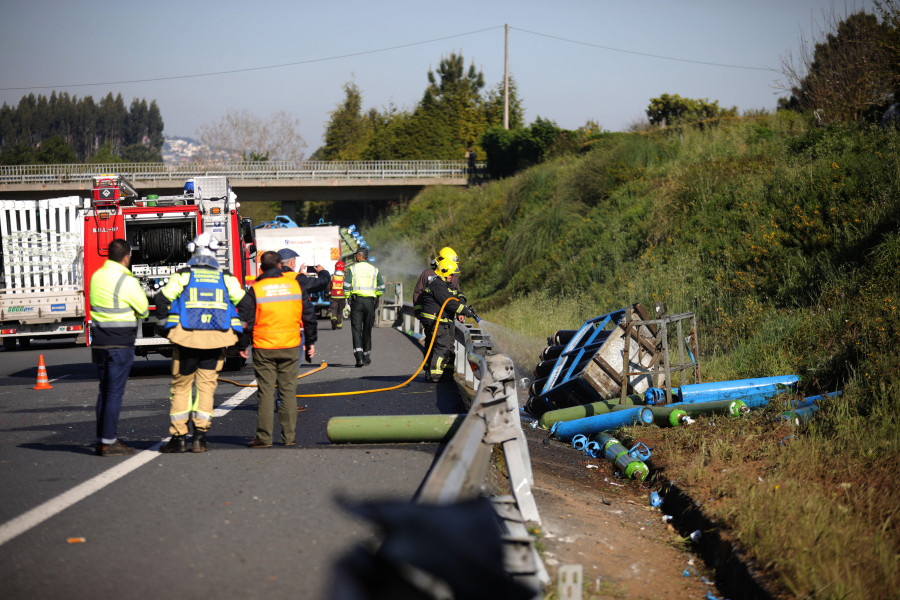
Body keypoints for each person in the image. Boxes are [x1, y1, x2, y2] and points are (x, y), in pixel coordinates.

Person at [154, 233, 253, 453]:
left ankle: (179, 438)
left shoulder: (183, 276)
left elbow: (161, 298)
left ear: (192, 251)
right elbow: (246, 302)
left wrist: (164, 327)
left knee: (181, 389)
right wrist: (242, 336)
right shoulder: (226, 278)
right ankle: (200, 438)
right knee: (206, 388)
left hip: (186, 340)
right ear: (215, 253)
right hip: (216, 340)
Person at [243, 251, 317, 448]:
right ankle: (289, 437)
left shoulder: (256, 289)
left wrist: (242, 344)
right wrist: (310, 341)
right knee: (288, 391)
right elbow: (308, 314)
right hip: (291, 346)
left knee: (266, 392)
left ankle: (264, 438)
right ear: (279, 265)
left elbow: (245, 318)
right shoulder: (294, 285)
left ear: (261, 267)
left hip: (264, 347)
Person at [89, 238, 149, 456]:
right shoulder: (126, 280)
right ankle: (108, 442)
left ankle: (102, 439)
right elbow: (143, 310)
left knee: (104, 392)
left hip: (100, 343)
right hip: (120, 343)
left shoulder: (96, 276)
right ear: (126, 257)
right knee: (114, 393)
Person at [418, 257, 477, 382]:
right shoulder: (438, 285)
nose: (452, 276)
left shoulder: (445, 285)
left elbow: (456, 294)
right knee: (442, 347)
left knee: (448, 348)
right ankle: (435, 375)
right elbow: (448, 302)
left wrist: (462, 302)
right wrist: (465, 310)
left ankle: (446, 374)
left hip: (442, 321)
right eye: (450, 274)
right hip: (437, 321)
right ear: (444, 272)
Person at [343, 246, 385, 367]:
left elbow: (346, 286)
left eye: (356, 255)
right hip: (370, 303)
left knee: (356, 330)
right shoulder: (375, 270)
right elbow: (382, 288)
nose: (355, 256)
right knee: (367, 329)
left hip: (357, 302)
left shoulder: (352, 269)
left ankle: (359, 358)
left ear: (360, 256)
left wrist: (348, 297)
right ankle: (366, 357)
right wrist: (374, 295)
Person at [329, 260, 347, 330]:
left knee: (333, 309)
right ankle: (339, 324)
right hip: (342, 297)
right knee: (340, 311)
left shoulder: (332, 277)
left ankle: (333, 317)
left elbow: (328, 286)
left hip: (333, 296)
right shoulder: (345, 278)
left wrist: (327, 293)